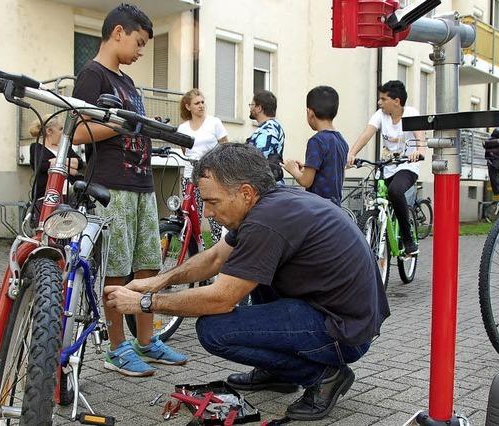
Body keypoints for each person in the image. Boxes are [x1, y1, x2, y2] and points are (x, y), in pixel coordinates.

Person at [104, 143, 389, 420]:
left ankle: (326, 376)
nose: (208, 213)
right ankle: (279, 373)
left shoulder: (265, 222)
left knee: (215, 330)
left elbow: (221, 298)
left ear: (246, 193)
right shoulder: (270, 204)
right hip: (335, 313)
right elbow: (215, 258)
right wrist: (155, 282)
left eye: (212, 202)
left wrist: (144, 303)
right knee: (252, 274)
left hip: (343, 332)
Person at [71, 3, 187, 377]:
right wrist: (128, 125)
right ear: (118, 32)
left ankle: (146, 339)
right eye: (138, 43)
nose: (140, 52)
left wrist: (146, 126)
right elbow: (77, 131)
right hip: (111, 187)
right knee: (116, 271)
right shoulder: (92, 76)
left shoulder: (128, 82)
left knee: (149, 263)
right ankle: (117, 349)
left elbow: (131, 126)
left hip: (141, 184)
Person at [347, 80, 424, 255]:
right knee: (378, 198)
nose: (379, 102)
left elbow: (420, 135)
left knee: (395, 191)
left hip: (407, 166)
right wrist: (351, 153)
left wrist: (418, 151)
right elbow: (367, 134)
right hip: (387, 166)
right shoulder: (380, 116)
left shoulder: (410, 113)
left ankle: (408, 239)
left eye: (383, 99)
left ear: (396, 101)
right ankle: (379, 229)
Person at [282, 86, 348, 206]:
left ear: (310, 113)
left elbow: (306, 181)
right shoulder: (341, 140)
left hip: (318, 208)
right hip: (335, 207)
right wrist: (306, 168)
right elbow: (331, 171)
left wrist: (293, 170)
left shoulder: (316, 141)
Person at [177, 89, 228, 243]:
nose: (201, 106)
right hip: (190, 176)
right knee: (191, 215)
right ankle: (194, 250)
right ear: (188, 107)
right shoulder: (183, 128)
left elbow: (225, 147)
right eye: (196, 103)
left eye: (202, 102)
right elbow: (185, 151)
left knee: (214, 213)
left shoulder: (214, 122)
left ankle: (217, 247)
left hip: (211, 176)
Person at [29, 117, 83, 202]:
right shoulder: (36, 147)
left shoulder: (65, 147)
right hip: (47, 199)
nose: (64, 133)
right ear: (49, 131)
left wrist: (56, 162)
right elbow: (43, 165)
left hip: (71, 198)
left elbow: (79, 163)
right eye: (61, 129)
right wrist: (70, 169)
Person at [246, 90, 286, 183]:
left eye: (252, 105)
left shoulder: (267, 131)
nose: (250, 108)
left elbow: (256, 160)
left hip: (266, 187)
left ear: (259, 108)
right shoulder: (273, 127)